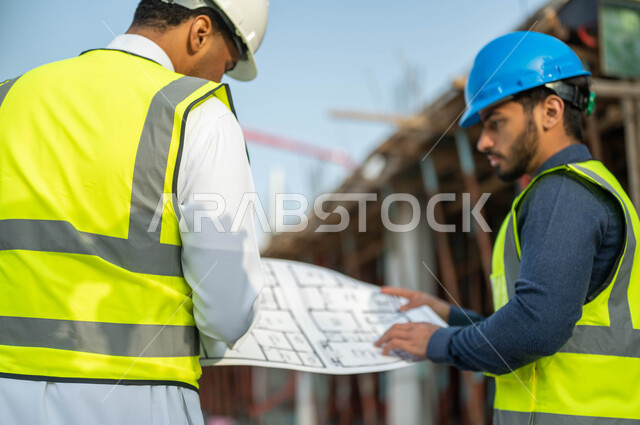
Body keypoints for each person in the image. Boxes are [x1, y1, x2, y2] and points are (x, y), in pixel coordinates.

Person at [0, 0, 268, 424]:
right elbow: (228, 309)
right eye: (227, 63)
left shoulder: (9, 98)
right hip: (139, 397)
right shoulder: (199, 114)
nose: (221, 76)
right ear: (200, 32)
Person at [376, 31, 640, 424]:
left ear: (551, 112)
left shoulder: (563, 192)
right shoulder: (581, 189)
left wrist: (440, 343)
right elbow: (549, 330)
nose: (482, 142)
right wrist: (449, 317)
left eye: (496, 122)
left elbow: (534, 329)